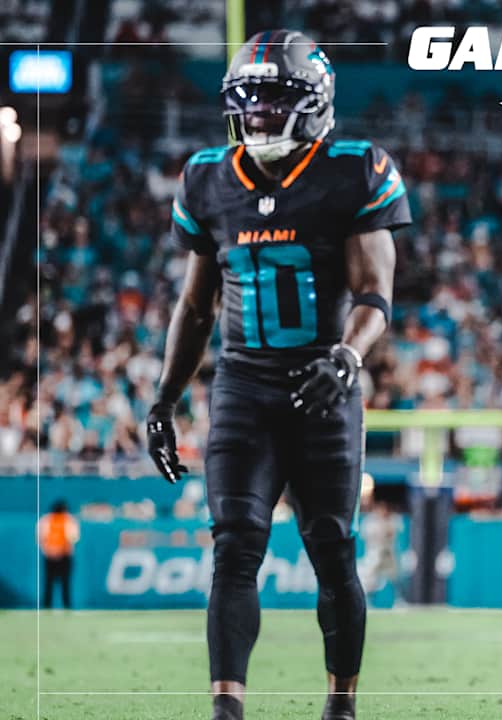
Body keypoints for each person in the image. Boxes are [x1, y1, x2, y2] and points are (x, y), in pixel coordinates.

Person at [142, 30, 409, 720]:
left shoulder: (353, 169)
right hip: (243, 385)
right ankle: (226, 710)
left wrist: (345, 357)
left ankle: (340, 705)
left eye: (272, 100)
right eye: (248, 100)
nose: (257, 114)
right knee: (234, 544)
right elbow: (195, 306)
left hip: (323, 382)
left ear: (314, 103)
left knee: (332, 547)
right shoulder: (207, 177)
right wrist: (164, 399)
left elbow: (375, 295)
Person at [37, 499, 79, 609]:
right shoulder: (47, 520)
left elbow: (72, 538)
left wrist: (58, 550)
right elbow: (41, 538)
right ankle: (47, 606)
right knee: (50, 583)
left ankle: (66, 606)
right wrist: (51, 550)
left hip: (63, 556)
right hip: (52, 556)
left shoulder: (68, 520)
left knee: (64, 583)